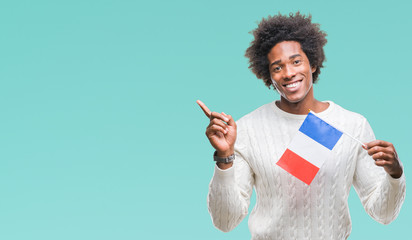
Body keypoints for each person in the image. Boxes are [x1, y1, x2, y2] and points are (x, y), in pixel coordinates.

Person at [197, 12, 405, 239]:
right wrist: (224, 156)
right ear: (269, 76)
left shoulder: (351, 124)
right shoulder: (248, 129)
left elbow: (383, 214)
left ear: (313, 63)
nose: (288, 73)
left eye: (296, 61)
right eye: (277, 67)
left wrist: (394, 173)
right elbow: (225, 221)